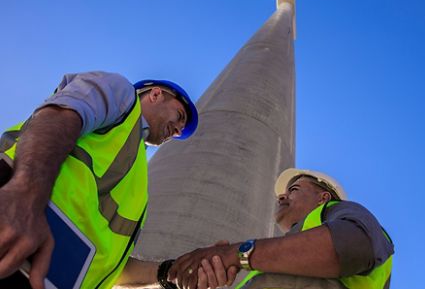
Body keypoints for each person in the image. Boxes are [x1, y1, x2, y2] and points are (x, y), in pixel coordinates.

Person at [0, 71, 200, 289]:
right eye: (180, 116)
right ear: (155, 94)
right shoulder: (122, 95)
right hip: (12, 235)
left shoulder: (138, 183)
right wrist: (26, 193)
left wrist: (167, 273)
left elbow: (110, 267)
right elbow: (59, 116)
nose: (178, 130)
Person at [167, 168, 395, 289]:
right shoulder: (279, 257)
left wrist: (237, 255)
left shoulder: (342, 212)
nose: (283, 196)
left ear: (322, 197)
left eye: (294, 189)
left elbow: (353, 246)